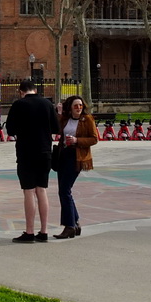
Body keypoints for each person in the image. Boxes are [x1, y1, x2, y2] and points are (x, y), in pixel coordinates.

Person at [5, 79, 59, 243]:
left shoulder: (18, 105)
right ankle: (44, 231)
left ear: (21, 91)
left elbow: (10, 130)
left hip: (26, 152)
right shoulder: (47, 104)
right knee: (41, 190)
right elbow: (56, 129)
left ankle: (29, 231)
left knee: (28, 191)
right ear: (35, 90)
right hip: (44, 152)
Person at [53, 95, 100, 239]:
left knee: (64, 191)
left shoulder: (87, 120)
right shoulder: (66, 119)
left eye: (80, 105)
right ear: (70, 107)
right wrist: (60, 113)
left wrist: (76, 140)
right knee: (65, 191)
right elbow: (57, 129)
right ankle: (75, 223)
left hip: (77, 157)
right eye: (75, 106)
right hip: (63, 156)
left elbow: (94, 139)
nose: (79, 108)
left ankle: (69, 226)